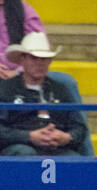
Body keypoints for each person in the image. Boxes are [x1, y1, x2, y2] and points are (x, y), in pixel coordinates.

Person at [0, 1, 91, 155]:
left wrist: (20, 70)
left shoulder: (22, 9)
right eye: (35, 59)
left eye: (44, 59)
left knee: (66, 82)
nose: (40, 63)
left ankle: (87, 158)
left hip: (17, 70)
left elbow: (38, 41)